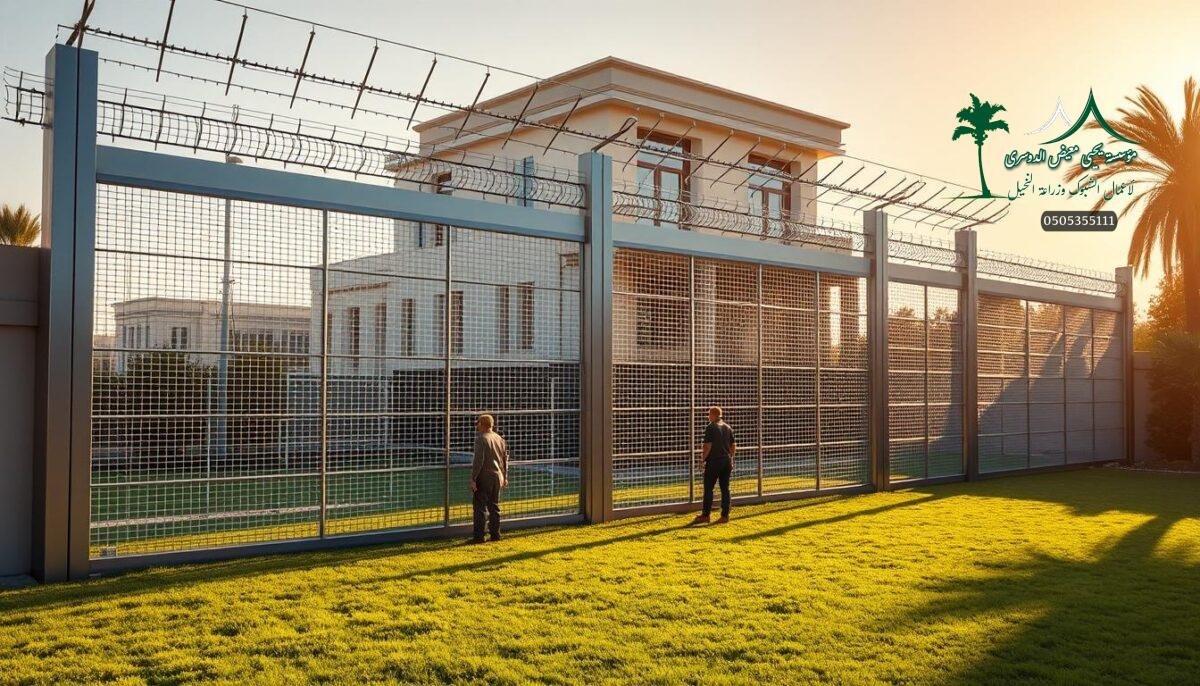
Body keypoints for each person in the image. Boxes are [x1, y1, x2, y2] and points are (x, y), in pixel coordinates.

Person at [693, 406, 735, 525]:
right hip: (726, 460)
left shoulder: (711, 427)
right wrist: (731, 459)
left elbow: (707, 446)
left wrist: (703, 459)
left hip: (714, 461)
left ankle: (706, 515)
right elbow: (733, 445)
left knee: (708, 488)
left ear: (714, 415)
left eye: (709, 414)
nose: (708, 416)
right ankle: (725, 516)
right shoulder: (728, 427)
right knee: (725, 488)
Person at [470, 413, 509, 543]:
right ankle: (495, 535)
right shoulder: (499, 438)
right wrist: (505, 476)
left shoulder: (481, 438)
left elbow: (478, 461)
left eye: (478, 423)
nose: (477, 425)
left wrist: (474, 478)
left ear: (482, 424)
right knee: (494, 506)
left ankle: (479, 537)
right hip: (498, 476)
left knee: (480, 507)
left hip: (484, 476)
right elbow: (504, 459)